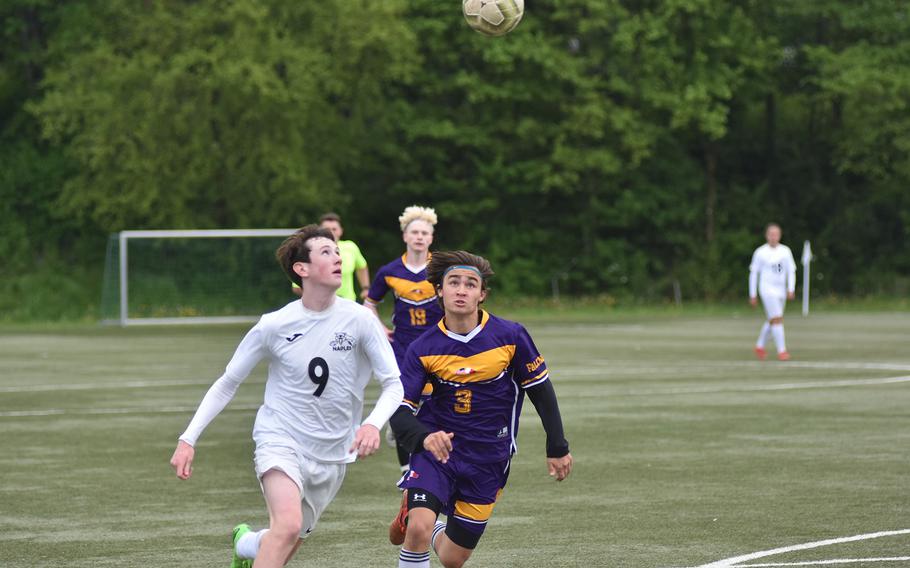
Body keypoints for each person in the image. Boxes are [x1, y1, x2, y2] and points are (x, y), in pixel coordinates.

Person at [169, 224, 404, 568]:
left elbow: (394, 383)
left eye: (338, 252)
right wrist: (188, 438)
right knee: (288, 525)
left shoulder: (360, 320)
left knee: (286, 538)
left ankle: (246, 542)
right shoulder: (273, 325)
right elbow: (227, 382)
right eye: (326, 252)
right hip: (281, 438)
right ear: (302, 269)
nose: (338, 258)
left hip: (334, 453)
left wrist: (371, 424)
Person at [386, 250, 573, 568]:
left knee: (451, 559)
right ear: (439, 290)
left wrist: (557, 445)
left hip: (488, 455)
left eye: (470, 284)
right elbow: (399, 408)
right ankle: (419, 514)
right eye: (453, 282)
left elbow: (541, 391)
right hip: (438, 450)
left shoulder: (511, 336)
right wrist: (423, 438)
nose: (461, 290)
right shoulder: (423, 348)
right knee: (417, 529)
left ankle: (423, 518)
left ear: (482, 294)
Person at [364, 206, 444, 475]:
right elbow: (369, 303)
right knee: (402, 403)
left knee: (432, 404)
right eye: (415, 232)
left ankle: (432, 461)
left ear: (431, 238)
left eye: (425, 233)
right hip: (402, 350)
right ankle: (406, 471)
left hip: (437, 349)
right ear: (405, 236)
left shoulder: (441, 269)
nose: (420, 237)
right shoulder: (389, 271)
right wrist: (380, 329)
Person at [291, 213, 370, 302]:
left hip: (347, 304)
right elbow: (296, 287)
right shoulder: (309, 251)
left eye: (334, 229)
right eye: (327, 229)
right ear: (320, 231)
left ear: (341, 231)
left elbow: (362, 266)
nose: (331, 232)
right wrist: (323, 297)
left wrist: (365, 288)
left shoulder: (350, 247)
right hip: (320, 307)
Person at [749, 222, 797, 361]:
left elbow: (791, 271)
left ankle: (759, 346)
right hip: (767, 289)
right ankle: (782, 351)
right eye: (771, 234)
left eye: (776, 234)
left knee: (773, 319)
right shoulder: (760, 252)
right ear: (766, 236)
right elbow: (753, 274)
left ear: (780, 236)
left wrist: (791, 288)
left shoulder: (785, 251)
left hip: (780, 290)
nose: (773, 237)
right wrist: (753, 294)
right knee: (777, 319)